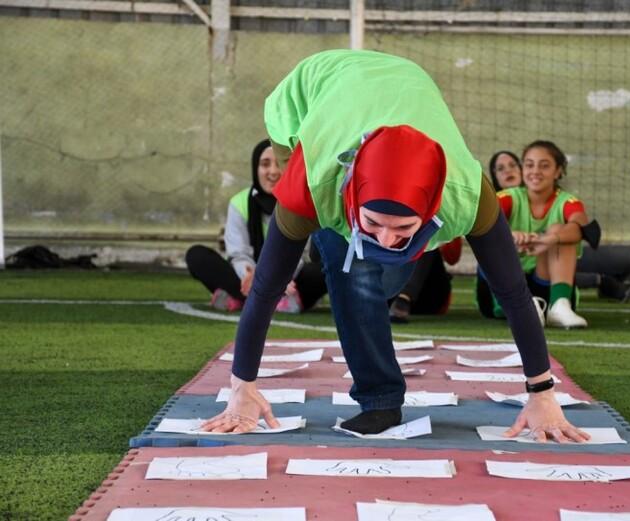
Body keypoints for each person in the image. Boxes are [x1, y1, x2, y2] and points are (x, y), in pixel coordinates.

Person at [202, 49, 589, 443]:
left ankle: (370, 241)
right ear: (351, 198)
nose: (386, 238)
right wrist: (241, 390)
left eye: (403, 227)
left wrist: (542, 392)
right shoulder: (311, 189)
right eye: (374, 223)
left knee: (375, 263)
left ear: (434, 205)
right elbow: (266, 289)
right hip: (308, 97)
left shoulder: (468, 196)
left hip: (406, 81)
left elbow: (513, 293)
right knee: (347, 265)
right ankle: (379, 398)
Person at [185, 139, 326, 313]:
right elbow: (238, 253)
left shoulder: (298, 202)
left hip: (289, 276)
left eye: (278, 164)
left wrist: (276, 279)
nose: (273, 171)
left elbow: (300, 255)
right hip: (247, 275)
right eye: (265, 164)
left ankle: (239, 298)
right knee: (197, 255)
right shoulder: (239, 203)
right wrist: (254, 278)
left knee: (327, 266)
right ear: (255, 168)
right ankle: (277, 300)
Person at [487, 150, 630, 303]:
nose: (508, 171)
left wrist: (550, 239)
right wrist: (510, 235)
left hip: (559, 256)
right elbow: (480, 227)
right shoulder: (497, 203)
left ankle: (562, 301)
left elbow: (588, 231)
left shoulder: (562, 199)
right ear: (495, 177)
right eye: (500, 169)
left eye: (513, 165)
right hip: (521, 270)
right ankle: (599, 281)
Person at [477, 142, 589, 328]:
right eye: (529, 165)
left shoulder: (568, 201)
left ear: (558, 171)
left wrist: (549, 239)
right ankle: (521, 307)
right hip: (505, 286)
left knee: (559, 230)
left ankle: (560, 305)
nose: (535, 171)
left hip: (546, 283)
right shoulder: (508, 197)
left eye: (544, 166)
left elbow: (582, 227)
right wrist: (509, 235)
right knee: (492, 236)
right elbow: (478, 223)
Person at [387, 238, 462, 323]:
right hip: (385, 297)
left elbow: (452, 257)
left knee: (425, 234)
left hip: (429, 297)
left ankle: (404, 298)